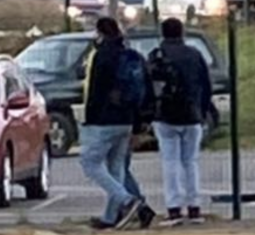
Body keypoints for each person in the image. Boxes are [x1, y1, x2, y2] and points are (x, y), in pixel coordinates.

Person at [80, 17, 147, 230]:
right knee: (116, 166)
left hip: (104, 120)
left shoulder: (101, 56)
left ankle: (127, 201)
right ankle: (110, 217)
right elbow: (141, 91)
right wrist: (137, 123)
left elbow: (96, 91)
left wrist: (90, 119)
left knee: (90, 163)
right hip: (126, 119)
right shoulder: (131, 56)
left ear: (100, 33)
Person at [149, 18, 213, 227]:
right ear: (182, 32)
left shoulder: (157, 55)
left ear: (163, 33)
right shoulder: (195, 55)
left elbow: (149, 86)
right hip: (192, 114)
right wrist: (202, 111)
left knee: (170, 162)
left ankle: (173, 209)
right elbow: (206, 85)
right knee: (190, 162)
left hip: (165, 116)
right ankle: (194, 207)